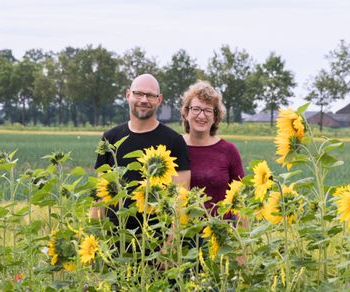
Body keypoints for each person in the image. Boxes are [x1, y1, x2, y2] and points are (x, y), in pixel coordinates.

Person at [92, 74, 191, 229]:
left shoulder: (174, 141)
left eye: (151, 95)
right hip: (114, 240)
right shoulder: (110, 138)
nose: (144, 100)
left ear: (159, 99)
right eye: (138, 93)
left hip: (157, 242)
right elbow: (99, 196)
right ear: (128, 95)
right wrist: (96, 232)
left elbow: (181, 199)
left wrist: (168, 248)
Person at [180, 81, 244, 217]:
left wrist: (243, 236)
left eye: (208, 110)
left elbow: (240, 201)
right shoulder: (174, 147)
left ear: (215, 117)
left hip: (220, 233)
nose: (202, 116)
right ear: (186, 112)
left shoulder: (228, 151)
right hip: (182, 234)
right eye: (196, 109)